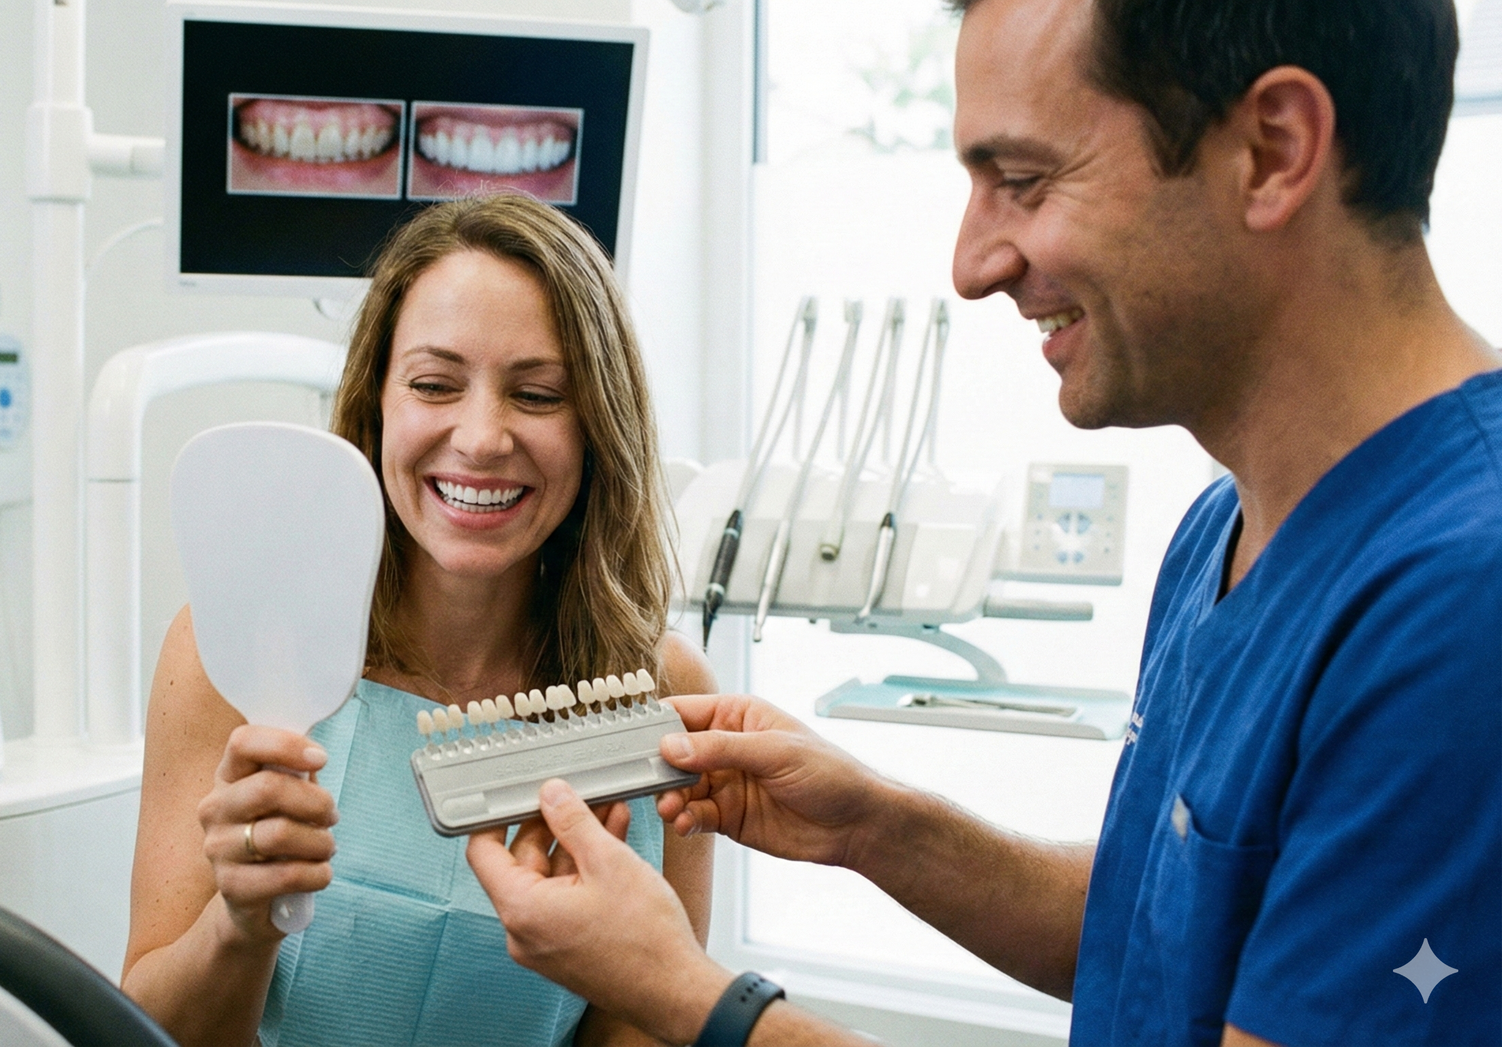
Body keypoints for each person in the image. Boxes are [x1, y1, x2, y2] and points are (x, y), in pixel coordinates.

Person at [466, 0, 1502, 1044]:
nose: (971, 265)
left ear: (1272, 152)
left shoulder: (1461, 604)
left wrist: (686, 995)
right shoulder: (1227, 528)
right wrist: (875, 824)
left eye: (1025, 181)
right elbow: (1169, 932)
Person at [118, 192, 717, 1047]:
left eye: (537, 394)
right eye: (435, 385)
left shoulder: (661, 695)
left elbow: (650, 1028)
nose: (481, 438)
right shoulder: (236, 650)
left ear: (598, 427)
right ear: (377, 404)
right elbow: (143, 1031)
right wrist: (240, 924)